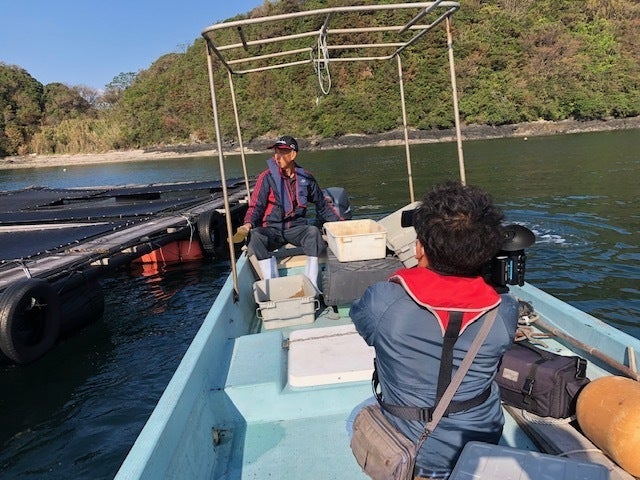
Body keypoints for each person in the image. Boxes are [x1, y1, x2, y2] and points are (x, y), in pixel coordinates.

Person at [349, 181, 519, 479]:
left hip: (412, 449)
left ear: (419, 249)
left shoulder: (383, 302)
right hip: (481, 442)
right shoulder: (503, 311)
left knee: (355, 416)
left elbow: (363, 323)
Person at [233, 135, 343, 287]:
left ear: (293, 154)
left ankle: (311, 284)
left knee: (313, 232)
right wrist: (247, 224)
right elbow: (255, 206)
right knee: (255, 237)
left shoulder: (306, 178)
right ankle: (272, 283)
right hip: (272, 230)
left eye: (282, 152)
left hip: (296, 229)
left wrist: (341, 225)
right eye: (276, 152)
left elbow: (322, 205)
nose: (277, 157)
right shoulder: (266, 177)